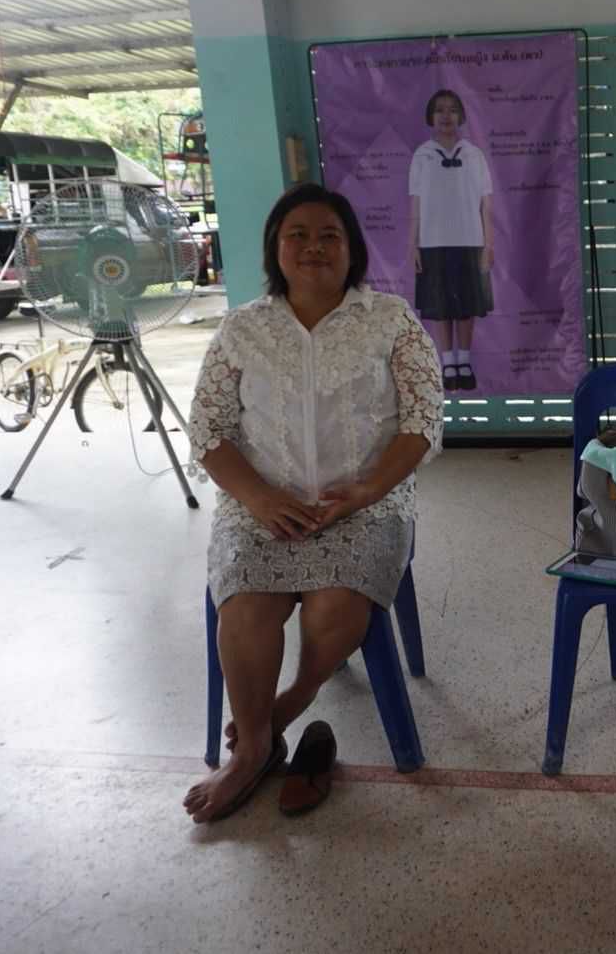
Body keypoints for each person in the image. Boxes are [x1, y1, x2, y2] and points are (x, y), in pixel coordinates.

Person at [182, 182, 444, 824]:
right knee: (246, 609)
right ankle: (251, 752)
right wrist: (260, 498)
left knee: (333, 604)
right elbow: (208, 430)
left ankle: (292, 701)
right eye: (296, 234)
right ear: (275, 248)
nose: (314, 247)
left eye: (330, 235)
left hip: (366, 505)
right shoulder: (243, 329)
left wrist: (367, 490)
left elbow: (422, 422)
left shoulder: (390, 321)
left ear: (352, 249)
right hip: (260, 507)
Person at [409, 88, 494, 392]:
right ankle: (447, 362)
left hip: (470, 240)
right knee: (442, 305)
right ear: (430, 117)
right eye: (440, 110)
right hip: (433, 242)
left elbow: (486, 205)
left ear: (461, 116)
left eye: (452, 109)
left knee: (467, 304)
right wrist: (413, 245)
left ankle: (464, 360)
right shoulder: (422, 156)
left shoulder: (474, 155)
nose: (446, 115)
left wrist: (488, 245)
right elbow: (416, 205)